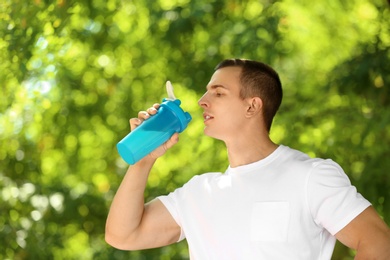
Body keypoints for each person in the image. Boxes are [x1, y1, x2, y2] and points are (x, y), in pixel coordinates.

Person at [105, 59, 390, 259]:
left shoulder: (309, 176)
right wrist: (143, 160)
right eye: (206, 92)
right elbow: (122, 235)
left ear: (252, 105)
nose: (202, 101)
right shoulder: (198, 192)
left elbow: (379, 245)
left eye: (218, 92)